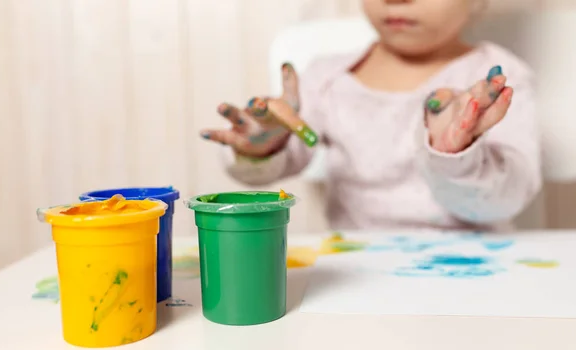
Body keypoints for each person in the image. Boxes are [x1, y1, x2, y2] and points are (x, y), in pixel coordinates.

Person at [200, 0, 540, 232]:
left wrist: (455, 154)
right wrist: (261, 148)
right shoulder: (327, 79)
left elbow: (506, 200)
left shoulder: (497, 81)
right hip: (358, 270)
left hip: (481, 267)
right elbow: (283, 158)